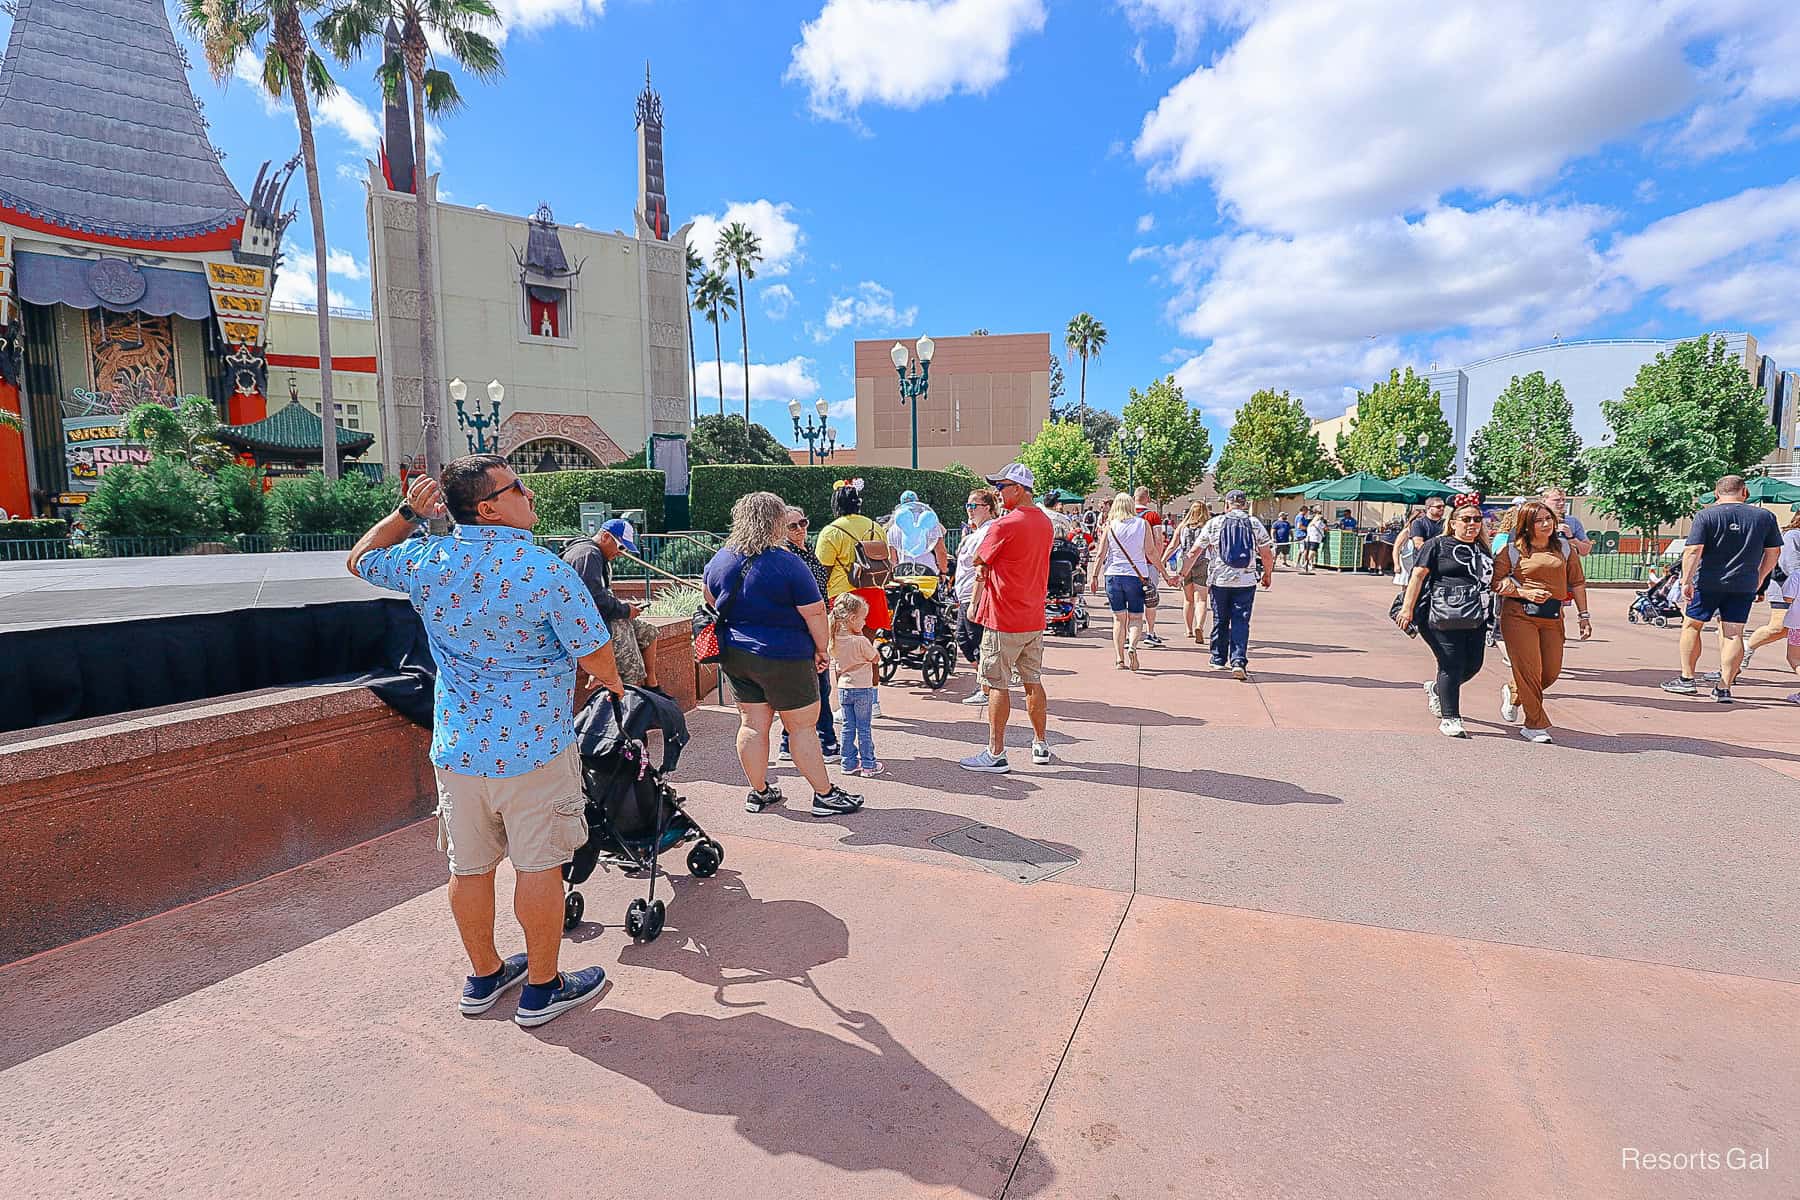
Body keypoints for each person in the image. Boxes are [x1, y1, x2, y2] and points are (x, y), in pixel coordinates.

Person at [347, 455, 620, 1028]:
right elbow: (596, 654)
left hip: (459, 751)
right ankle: (543, 988)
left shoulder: (426, 559)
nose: (529, 494)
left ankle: (484, 976)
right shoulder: (545, 571)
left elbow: (360, 558)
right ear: (489, 508)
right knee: (539, 867)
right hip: (534, 751)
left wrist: (408, 513)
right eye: (517, 487)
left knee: (468, 869)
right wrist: (614, 687)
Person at [703, 492, 863, 817]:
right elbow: (815, 611)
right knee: (802, 727)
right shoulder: (788, 562)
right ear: (776, 521)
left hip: (737, 654)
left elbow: (709, 597)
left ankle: (759, 791)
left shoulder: (721, 559)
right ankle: (824, 794)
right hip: (785, 655)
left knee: (752, 725)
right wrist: (822, 649)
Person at [960, 463, 1054, 773]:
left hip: (1003, 616)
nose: (998, 492)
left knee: (996, 684)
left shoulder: (1005, 524)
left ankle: (996, 752)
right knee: (1032, 681)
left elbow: (978, 558)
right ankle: (1040, 743)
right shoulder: (1045, 522)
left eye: (1002, 487)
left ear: (1019, 488)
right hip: (1033, 615)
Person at [1660, 475, 1783, 702]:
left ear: (1717, 493)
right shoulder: (1765, 516)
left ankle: (1687, 679)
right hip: (1744, 583)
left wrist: (1686, 580)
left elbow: (1693, 550)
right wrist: (1759, 578)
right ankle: (1724, 687)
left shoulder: (1706, 515)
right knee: (1734, 633)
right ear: (1744, 492)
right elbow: (1773, 552)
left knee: (1692, 626)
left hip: (1707, 581)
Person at [1491, 499, 1592, 743]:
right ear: (1527, 524)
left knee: (1550, 673)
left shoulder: (1564, 548)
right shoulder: (1512, 550)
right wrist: (1523, 592)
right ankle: (1534, 724)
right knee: (1530, 670)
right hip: (1519, 615)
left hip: (1552, 615)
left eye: (1549, 519)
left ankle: (1514, 691)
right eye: (1539, 521)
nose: (1546, 524)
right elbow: (1496, 582)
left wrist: (1584, 615)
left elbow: (1577, 582)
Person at [1395, 494, 1493, 737]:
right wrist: (1407, 608)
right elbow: (1417, 576)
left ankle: (1438, 689)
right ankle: (1451, 718)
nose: (1472, 524)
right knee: (1451, 663)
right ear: (1453, 522)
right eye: (1466, 519)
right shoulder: (1437, 545)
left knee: (1473, 665)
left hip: (1476, 614)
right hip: (1441, 614)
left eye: (1477, 519)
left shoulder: (1482, 548)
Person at [1176, 489, 1273, 680]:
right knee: (1241, 620)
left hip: (1219, 579)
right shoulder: (1253, 523)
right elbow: (1266, 553)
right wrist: (1267, 574)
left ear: (1227, 505)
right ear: (1244, 505)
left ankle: (1218, 658)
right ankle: (1238, 661)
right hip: (1246, 580)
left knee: (1220, 618)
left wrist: (1181, 574)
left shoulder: (1215, 523)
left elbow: (1194, 552)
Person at [561, 518, 660, 700]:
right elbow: (593, 600)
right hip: (586, 625)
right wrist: (625, 610)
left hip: (597, 619)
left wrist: (624, 608)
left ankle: (652, 686)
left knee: (649, 633)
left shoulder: (593, 553)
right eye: (621, 547)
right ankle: (629, 706)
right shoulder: (588, 554)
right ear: (606, 536)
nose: (621, 553)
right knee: (631, 665)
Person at [814, 479, 888, 718]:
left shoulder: (831, 531)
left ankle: (848, 706)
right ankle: (873, 703)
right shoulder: (876, 527)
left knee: (843, 653)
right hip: (874, 592)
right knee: (867, 648)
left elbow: (822, 569)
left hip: (844, 596)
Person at [777, 506, 841, 764]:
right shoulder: (786, 555)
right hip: (804, 628)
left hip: (815, 623)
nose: (800, 529)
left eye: (802, 523)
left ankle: (788, 741)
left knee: (806, 687)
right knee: (817, 687)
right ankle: (827, 742)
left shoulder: (806, 550)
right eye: (792, 526)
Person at [1092, 492, 1162, 671]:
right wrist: (1165, 573)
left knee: (1118, 618)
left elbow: (1101, 554)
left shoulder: (1110, 525)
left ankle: (1119, 659)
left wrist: (1094, 576)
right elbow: (1151, 552)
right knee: (1136, 617)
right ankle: (1132, 646)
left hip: (1113, 574)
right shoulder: (1143, 524)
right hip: (1136, 576)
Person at [829, 593, 882, 777]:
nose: (864, 622)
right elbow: (875, 658)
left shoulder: (835, 639)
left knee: (848, 727)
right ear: (852, 618)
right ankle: (868, 764)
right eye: (862, 619)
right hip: (862, 689)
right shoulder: (860, 641)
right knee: (864, 728)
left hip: (844, 688)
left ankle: (848, 763)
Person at [1740, 510, 1800, 672]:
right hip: (1785, 588)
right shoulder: (1793, 535)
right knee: (1779, 627)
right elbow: (1791, 566)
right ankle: (1748, 646)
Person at [955, 487, 1000, 706]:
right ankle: (984, 681)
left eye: (974, 505)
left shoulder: (989, 531)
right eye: (968, 505)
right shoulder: (977, 532)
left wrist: (975, 601)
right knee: (963, 638)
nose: (969, 509)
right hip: (965, 594)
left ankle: (987, 688)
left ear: (988, 508)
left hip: (977, 595)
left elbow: (982, 567)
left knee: (978, 641)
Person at [1165, 500, 1211, 646]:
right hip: (1202, 562)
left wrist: (1162, 560)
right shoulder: (1207, 527)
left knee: (1188, 599)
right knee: (1201, 599)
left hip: (1184, 563)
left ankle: (1189, 629)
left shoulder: (1182, 526)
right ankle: (1199, 626)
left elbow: (1172, 546)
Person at [1132, 486, 1167, 647]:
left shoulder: (1125, 514)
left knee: (1131, 599)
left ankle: (1130, 634)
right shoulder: (1152, 516)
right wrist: (1157, 560)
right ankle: (1150, 632)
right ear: (1148, 498)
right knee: (1150, 599)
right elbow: (1158, 539)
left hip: (1131, 564)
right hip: (1148, 562)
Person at [885, 489, 948, 576]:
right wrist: (943, 572)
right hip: (928, 572)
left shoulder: (893, 527)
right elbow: (941, 551)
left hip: (904, 573)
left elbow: (892, 559)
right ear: (917, 503)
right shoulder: (929, 521)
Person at [1400, 497, 1446, 581]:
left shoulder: (1446, 524)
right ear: (1429, 508)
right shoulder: (1418, 523)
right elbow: (1419, 545)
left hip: (1441, 566)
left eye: (1443, 506)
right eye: (1438, 507)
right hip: (1423, 565)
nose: (1442, 509)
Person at [1540, 487, 1592, 557]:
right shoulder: (1534, 520)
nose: (1562, 503)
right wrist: (1551, 530)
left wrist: (1571, 537)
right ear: (1544, 501)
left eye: (1563, 500)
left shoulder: (1572, 521)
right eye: (1556, 500)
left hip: (1567, 562)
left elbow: (1585, 551)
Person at [1303, 508, 1325, 573]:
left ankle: (1308, 563)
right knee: (1312, 551)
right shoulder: (1320, 522)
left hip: (1308, 538)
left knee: (1307, 551)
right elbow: (1325, 528)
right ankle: (1306, 563)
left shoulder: (1310, 523)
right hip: (1315, 538)